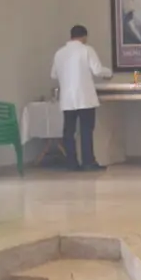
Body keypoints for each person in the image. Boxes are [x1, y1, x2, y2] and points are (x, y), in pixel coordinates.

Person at [51, 25, 112, 171]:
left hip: (67, 99)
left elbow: (53, 74)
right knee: (86, 130)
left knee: (69, 132)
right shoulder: (87, 50)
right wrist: (108, 73)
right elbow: (97, 70)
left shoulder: (59, 53)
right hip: (84, 97)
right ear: (84, 36)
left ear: (71, 36)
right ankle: (88, 162)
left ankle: (71, 163)